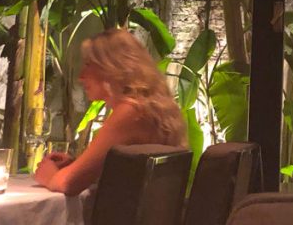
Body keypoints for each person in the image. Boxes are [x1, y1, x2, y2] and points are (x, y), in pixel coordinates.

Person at [34, 28, 186, 195]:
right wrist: (79, 165)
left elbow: (69, 184)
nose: (81, 76)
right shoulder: (152, 109)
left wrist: (49, 175)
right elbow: (129, 175)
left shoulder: (131, 112)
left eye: (88, 64)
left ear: (111, 67)